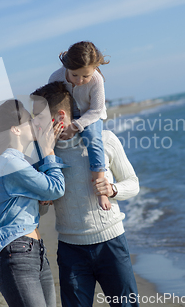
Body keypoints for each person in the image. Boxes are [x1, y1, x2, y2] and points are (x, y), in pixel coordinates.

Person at [32, 82, 140, 307]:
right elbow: (41, 210)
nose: (35, 126)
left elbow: (133, 184)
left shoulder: (105, 140)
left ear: (60, 117)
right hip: (71, 250)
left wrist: (113, 190)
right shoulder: (41, 156)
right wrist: (43, 199)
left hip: (111, 243)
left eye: (39, 119)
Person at [0, 99, 68, 307]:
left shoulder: (20, 162)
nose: (35, 124)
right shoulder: (10, 162)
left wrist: (41, 198)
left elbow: (40, 208)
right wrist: (48, 152)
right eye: (29, 121)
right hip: (16, 253)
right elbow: (56, 188)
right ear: (15, 130)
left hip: (36, 251)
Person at [48, 41, 111, 210]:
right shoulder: (55, 77)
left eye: (85, 76)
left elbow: (97, 110)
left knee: (93, 138)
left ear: (95, 69)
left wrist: (75, 127)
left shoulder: (96, 80)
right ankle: (48, 186)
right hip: (65, 113)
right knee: (45, 139)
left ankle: (100, 187)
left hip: (90, 115)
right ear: (66, 66)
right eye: (75, 75)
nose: (80, 80)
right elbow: (51, 102)